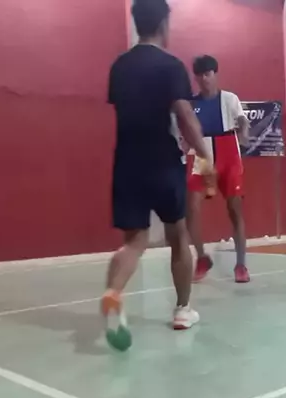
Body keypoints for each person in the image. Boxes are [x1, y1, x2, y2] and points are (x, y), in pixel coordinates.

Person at [103, 0, 214, 342]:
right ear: (164, 23)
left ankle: (113, 293)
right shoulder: (171, 66)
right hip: (164, 162)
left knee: (133, 242)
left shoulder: (119, 67)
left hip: (127, 164)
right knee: (177, 235)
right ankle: (182, 310)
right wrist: (206, 157)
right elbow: (185, 116)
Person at [187, 55, 251, 283]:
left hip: (228, 153)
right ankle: (202, 258)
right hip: (203, 155)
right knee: (190, 208)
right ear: (196, 78)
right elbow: (185, 130)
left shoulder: (230, 99)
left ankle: (241, 264)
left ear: (215, 74)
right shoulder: (191, 104)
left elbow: (242, 120)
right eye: (200, 75)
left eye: (208, 74)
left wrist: (244, 132)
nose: (204, 79)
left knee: (235, 209)